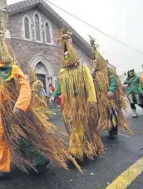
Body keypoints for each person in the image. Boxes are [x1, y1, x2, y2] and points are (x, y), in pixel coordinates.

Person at [0, 12, 80, 184]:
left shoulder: (13, 69)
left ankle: (41, 161)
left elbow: (25, 87)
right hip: (4, 114)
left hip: (16, 112)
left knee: (23, 138)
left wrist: (19, 106)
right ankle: (1, 169)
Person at [50, 27, 104, 160]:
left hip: (82, 101)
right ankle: (83, 147)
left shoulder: (82, 68)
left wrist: (91, 100)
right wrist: (54, 95)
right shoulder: (63, 72)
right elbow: (60, 86)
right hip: (69, 103)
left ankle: (77, 151)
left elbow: (90, 85)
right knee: (74, 125)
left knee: (80, 125)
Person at [90, 36, 133, 139]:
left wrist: (111, 90)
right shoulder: (94, 72)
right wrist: (92, 72)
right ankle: (103, 127)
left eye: (95, 62)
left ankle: (113, 131)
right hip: (98, 97)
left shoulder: (108, 71)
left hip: (109, 96)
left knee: (111, 113)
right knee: (100, 114)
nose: (94, 63)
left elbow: (113, 82)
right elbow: (89, 82)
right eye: (93, 62)